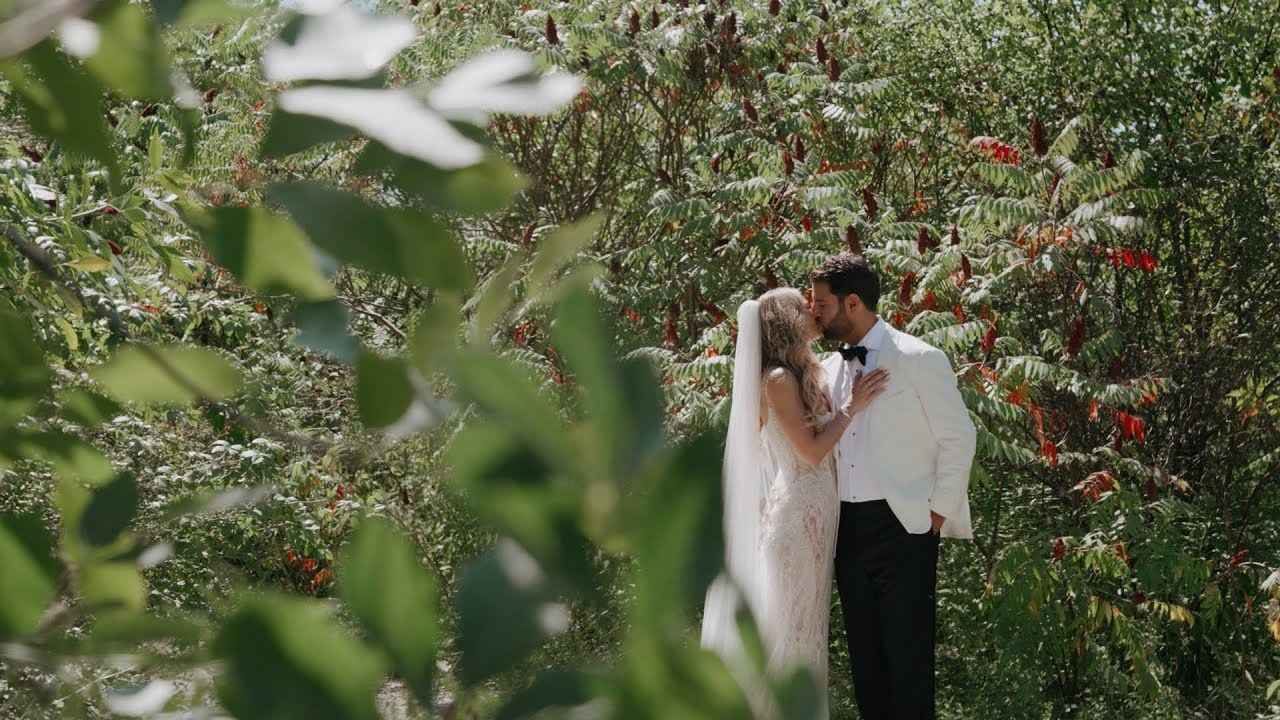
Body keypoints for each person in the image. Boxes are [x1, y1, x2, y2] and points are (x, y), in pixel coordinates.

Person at [702, 287, 888, 719]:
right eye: (802, 306)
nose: (813, 310)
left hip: (815, 520)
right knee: (792, 639)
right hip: (799, 522)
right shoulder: (778, 380)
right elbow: (810, 452)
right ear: (785, 320)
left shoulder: (805, 372)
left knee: (804, 637)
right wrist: (851, 408)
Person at [809, 253, 977, 720]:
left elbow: (959, 438)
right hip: (846, 530)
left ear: (854, 302)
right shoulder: (825, 369)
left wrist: (934, 517)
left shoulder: (920, 358)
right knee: (866, 662)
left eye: (822, 303)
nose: (814, 312)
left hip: (905, 524)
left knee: (908, 662)